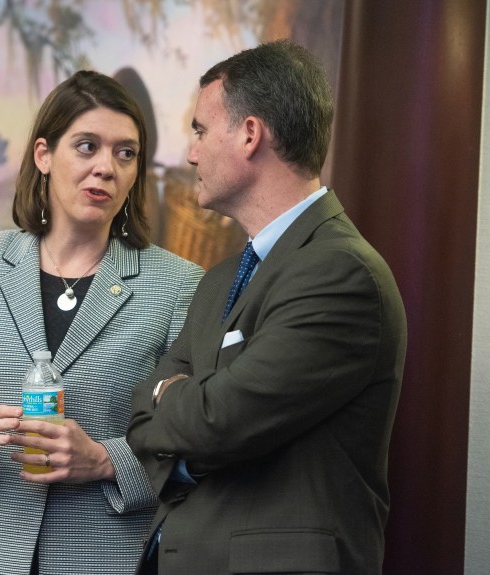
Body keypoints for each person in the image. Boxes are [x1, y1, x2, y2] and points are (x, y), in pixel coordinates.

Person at [0, 70, 204, 575]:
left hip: (108, 558)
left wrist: (104, 461)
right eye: (87, 146)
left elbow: (189, 440)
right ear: (44, 155)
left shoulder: (176, 285)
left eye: (125, 153)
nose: (105, 167)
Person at [127, 39, 407, 575]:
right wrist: (174, 401)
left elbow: (216, 421)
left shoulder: (341, 273)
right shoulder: (217, 282)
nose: (191, 153)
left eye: (201, 131)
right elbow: (142, 415)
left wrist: (177, 402)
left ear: (250, 134)